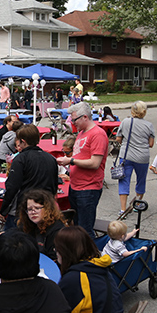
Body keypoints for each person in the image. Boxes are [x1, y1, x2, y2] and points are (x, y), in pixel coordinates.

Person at [54, 226, 128, 313]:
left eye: (57, 250)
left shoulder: (75, 280)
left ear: (65, 252)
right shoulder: (98, 266)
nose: (56, 254)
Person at [56, 102, 108, 238]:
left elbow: (95, 163)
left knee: (85, 229)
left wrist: (70, 160)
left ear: (85, 117)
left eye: (74, 120)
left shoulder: (97, 134)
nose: (73, 123)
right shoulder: (81, 133)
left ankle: (89, 257)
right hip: (76, 186)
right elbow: (80, 155)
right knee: (77, 225)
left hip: (88, 188)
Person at [0, 124, 59, 229]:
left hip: (25, 209)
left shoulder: (20, 159)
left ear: (23, 141)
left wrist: (3, 210)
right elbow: (54, 185)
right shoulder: (51, 158)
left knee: (13, 238)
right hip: (45, 206)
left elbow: (12, 187)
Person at [0, 189, 67, 261]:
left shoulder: (56, 230)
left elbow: (54, 260)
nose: (33, 212)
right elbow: (14, 233)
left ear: (47, 209)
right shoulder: (28, 223)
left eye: (37, 208)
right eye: (29, 209)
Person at [115, 101, 155, 217]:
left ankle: (123, 209)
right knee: (141, 180)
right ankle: (137, 204)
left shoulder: (126, 122)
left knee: (124, 180)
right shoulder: (149, 125)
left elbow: (118, 138)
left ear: (132, 111)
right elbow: (151, 144)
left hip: (126, 155)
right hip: (142, 156)